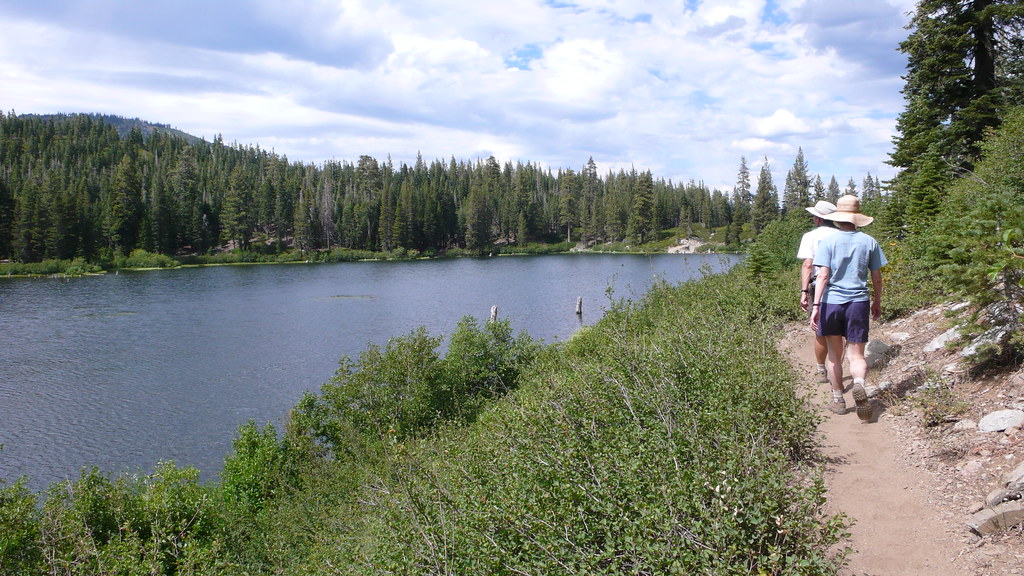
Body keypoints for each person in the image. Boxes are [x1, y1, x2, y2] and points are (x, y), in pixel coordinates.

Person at [809, 195, 887, 421]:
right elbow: (877, 277)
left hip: (832, 302)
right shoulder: (869, 242)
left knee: (835, 355)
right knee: (856, 354)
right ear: (856, 218)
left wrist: (816, 306)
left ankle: (838, 400)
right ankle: (860, 384)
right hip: (858, 302)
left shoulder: (828, 242)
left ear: (838, 218)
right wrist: (877, 301)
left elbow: (823, 275)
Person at [796, 200, 838, 383]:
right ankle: (836, 368)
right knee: (838, 331)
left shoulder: (810, 236)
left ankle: (821, 369)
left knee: (820, 329)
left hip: (817, 284)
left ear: (819, 219)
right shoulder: (842, 234)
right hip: (839, 285)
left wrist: (804, 291)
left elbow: (807, 264)